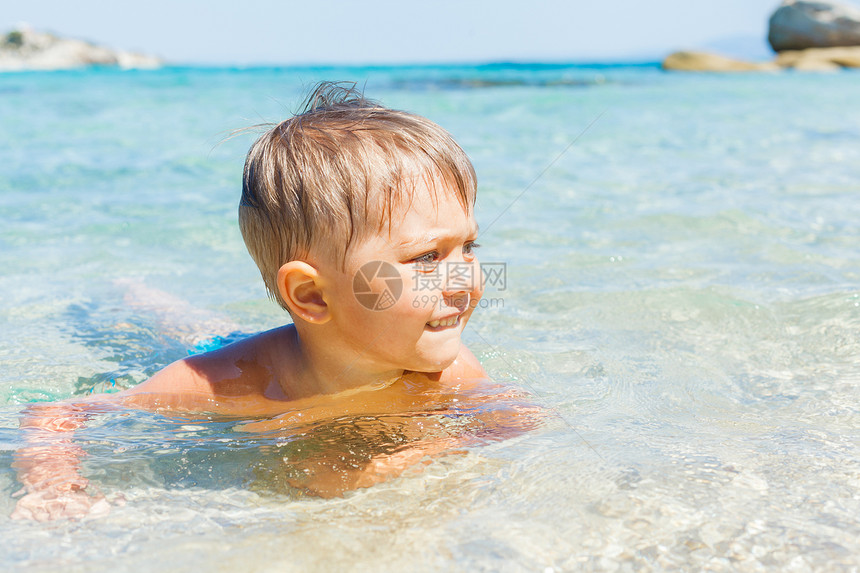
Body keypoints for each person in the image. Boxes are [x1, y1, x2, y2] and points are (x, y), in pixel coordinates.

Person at [11, 82, 537, 521]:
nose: (463, 280)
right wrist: (55, 486)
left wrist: (429, 452)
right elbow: (58, 414)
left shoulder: (446, 370)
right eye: (426, 257)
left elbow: (518, 418)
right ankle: (126, 294)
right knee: (179, 332)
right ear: (310, 294)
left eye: (469, 247)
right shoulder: (230, 386)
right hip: (232, 350)